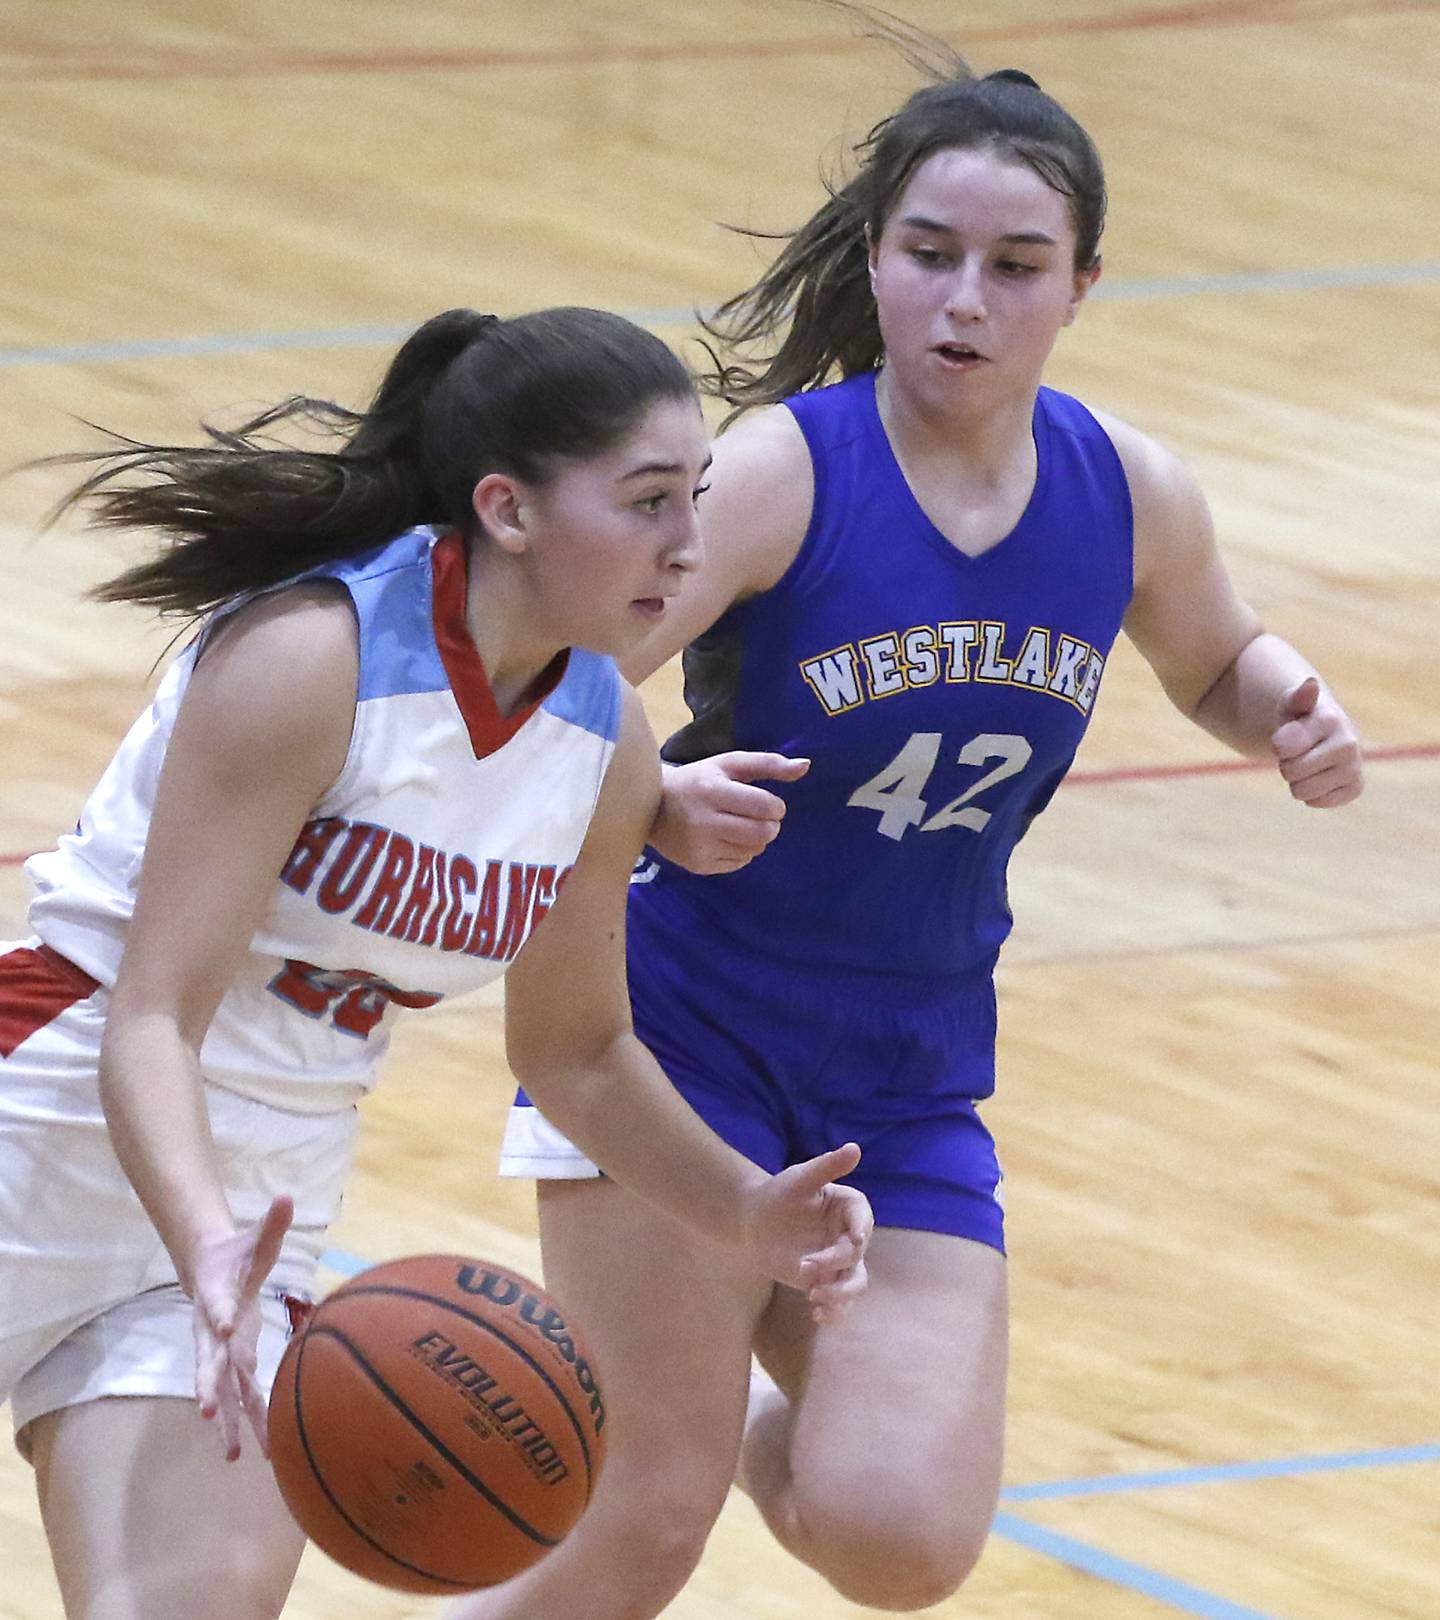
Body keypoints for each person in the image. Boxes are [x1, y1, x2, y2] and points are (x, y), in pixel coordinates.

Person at [488, 11, 1366, 1620]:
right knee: (643, 1527)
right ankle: (665, 1409)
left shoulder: (1132, 490)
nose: (967, 300)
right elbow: (549, 674)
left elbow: (1215, 652)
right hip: (680, 1035)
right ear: (875, 259)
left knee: (900, 1540)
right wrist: (659, 794)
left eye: (1018, 265)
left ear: (1083, 283)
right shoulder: (779, 473)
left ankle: (694, 1390)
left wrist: (1286, 704)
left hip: (908, 1068)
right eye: (930, 252)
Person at [0, 304, 874, 1620]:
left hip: (263, 1205)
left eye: (693, 500)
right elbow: (151, 1021)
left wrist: (743, 1212)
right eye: (646, 503)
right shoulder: (312, 662)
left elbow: (576, 1055)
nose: (690, 545)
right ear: (509, 511)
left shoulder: (604, 739)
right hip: (54, 1124)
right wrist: (203, 1237)